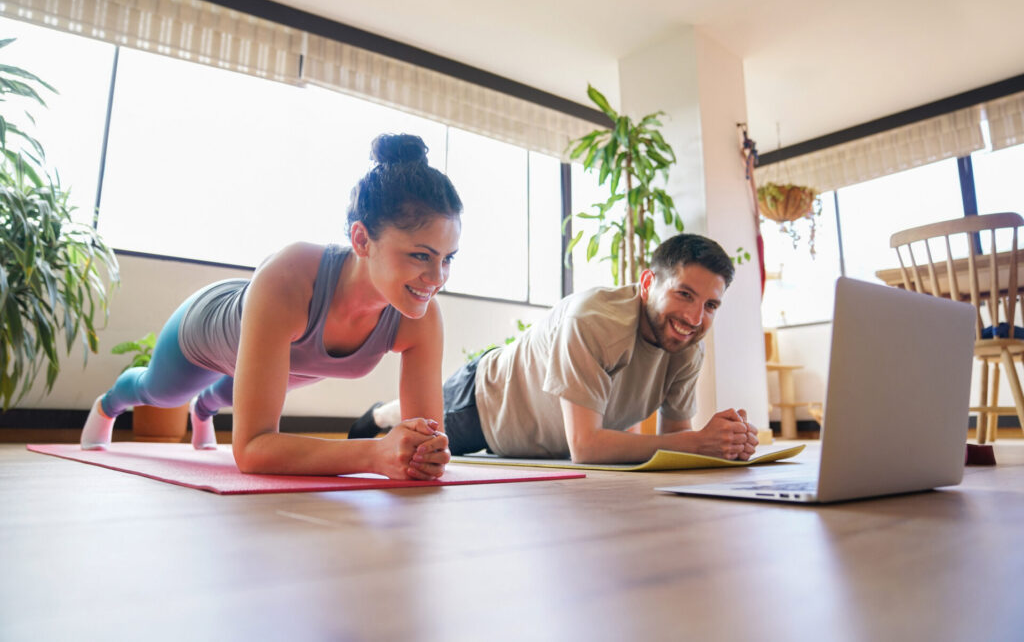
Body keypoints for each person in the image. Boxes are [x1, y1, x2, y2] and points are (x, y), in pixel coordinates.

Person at [81, 134, 460, 481]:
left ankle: (204, 410)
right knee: (161, 392)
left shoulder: (422, 315)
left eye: (447, 259)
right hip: (208, 328)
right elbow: (251, 451)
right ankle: (108, 404)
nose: (436, 277)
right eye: (420, 255)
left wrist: (422, 452)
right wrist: (373, 454)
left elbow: (427, 445)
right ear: (362, 240)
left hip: (280, 356)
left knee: (225, 396)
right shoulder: (291, 276)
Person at [351, 233, 759, 464]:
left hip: (546, 436)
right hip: (487, 403)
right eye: (684, 294)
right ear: (648, 284)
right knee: (414, 442)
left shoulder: (689, 344)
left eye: (710, 305)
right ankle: (379, 414)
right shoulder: (594, 320)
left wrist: (722, 445)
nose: (694, 316)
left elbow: (676, 442)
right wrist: (696, 443)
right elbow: (586, 448)